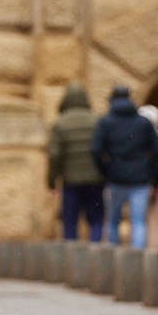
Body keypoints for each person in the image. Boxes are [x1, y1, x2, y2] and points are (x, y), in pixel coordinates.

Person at [90, 85, 158, 249]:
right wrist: (152, 175)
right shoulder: (143, 123)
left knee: (113, 221)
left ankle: (113, 263)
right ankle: (137, 262)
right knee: (138, 222)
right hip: (140, 179)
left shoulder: (105, 122)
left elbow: (95, 150)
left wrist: (105, 171)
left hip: (115, 178)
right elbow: (157, 151)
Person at [46, 83, 104, 241]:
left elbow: (54, 155)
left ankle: (72, 259)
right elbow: (103, 150)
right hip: (95, 180)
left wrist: (52, 181)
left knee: (70, 221)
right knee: (96, 220)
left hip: (71, 181)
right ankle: (96, 252)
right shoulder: (97, 121)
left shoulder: (60, 123)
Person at [138, 104, 158, 250]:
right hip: (153, 183)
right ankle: (153, 249)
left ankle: (143, 250)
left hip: (140, 182)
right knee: (153, 218)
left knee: (139, 219)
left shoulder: (137, 136)